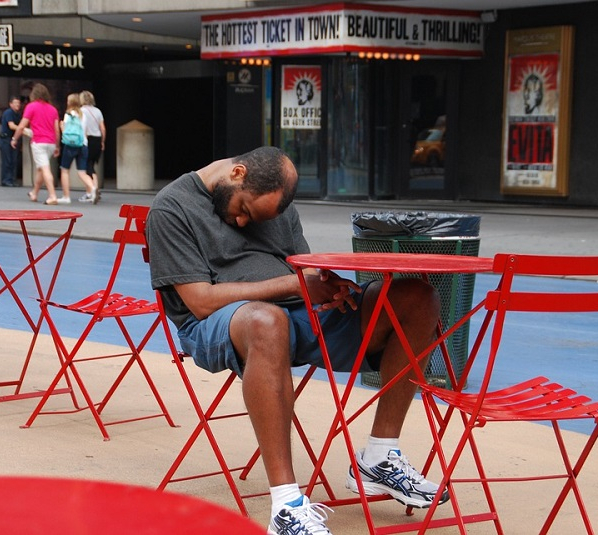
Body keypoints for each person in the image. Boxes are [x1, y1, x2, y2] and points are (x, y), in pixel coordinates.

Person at [147, 146, 448, 535]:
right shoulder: (172, 207)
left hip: (297, 314)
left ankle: (379, 456)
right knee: (267, 321)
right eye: (244, 210)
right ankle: (287, 504)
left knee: (418, 298)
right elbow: (200, 302)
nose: (240, 221)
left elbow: (302, 268)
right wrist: (294, 284)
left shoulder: (278, 204)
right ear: (237, 174)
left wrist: (327, 285)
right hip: (218, 325)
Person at [10, 83, 60, 205]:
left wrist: (14, 138)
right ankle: (34, 193)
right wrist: (57, 146)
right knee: (40, 169)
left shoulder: (31, 107)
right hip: (51, 142)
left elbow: (22, 126)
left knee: (45, 169)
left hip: (38, 142)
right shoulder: (53, 109)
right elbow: (57, 129)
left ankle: (52, 195)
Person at [58, 93, 98, 204]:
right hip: (83, 144)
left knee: (65, 170)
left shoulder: (68, 114)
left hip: (70, 145)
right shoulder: (83, 115)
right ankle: (93, 188)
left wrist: (61, 127)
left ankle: (66, 196)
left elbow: (66, 132)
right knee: (82, 172)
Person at [79, 90, 105, 202]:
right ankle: (94, 189)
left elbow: (82, 128)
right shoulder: (98, 111)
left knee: (86, 167)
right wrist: (103, 142)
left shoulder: (81, 111)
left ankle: (91, 191)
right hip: (97, 139)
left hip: (87, 139)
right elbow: (103, 128)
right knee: (92, 165)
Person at [0, 96, 21, 187]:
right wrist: (23, 130)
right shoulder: (9, 112)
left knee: (14, 160)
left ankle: (12, 179)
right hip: (6, 139)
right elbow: (11, 126)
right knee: (7, 160)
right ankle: (6, 180)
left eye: (18, 103)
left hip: (13, 138)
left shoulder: (18, 114)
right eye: (15, 103)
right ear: (10, 104)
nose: (17, 105)